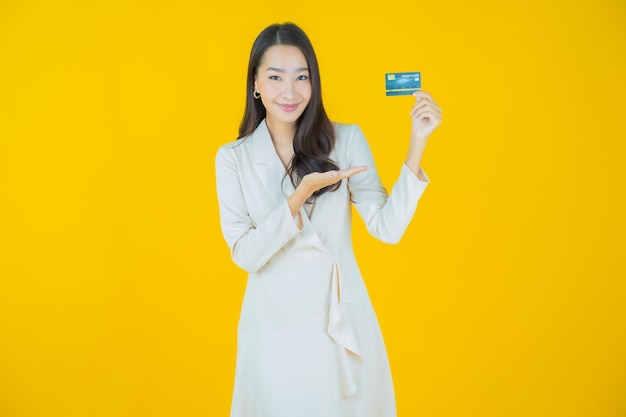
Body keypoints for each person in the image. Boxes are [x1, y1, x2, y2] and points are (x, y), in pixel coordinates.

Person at [215, 22, 441, 417]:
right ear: (255, 84)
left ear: (314, 82)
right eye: (275, 77)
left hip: (339, 323)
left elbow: (387, 229)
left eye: (302, 77)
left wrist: (417, 142)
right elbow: (245, 255)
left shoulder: (346, 139)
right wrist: (300, 195)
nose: (290, 91)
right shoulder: (233, 158)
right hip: (273, 327)